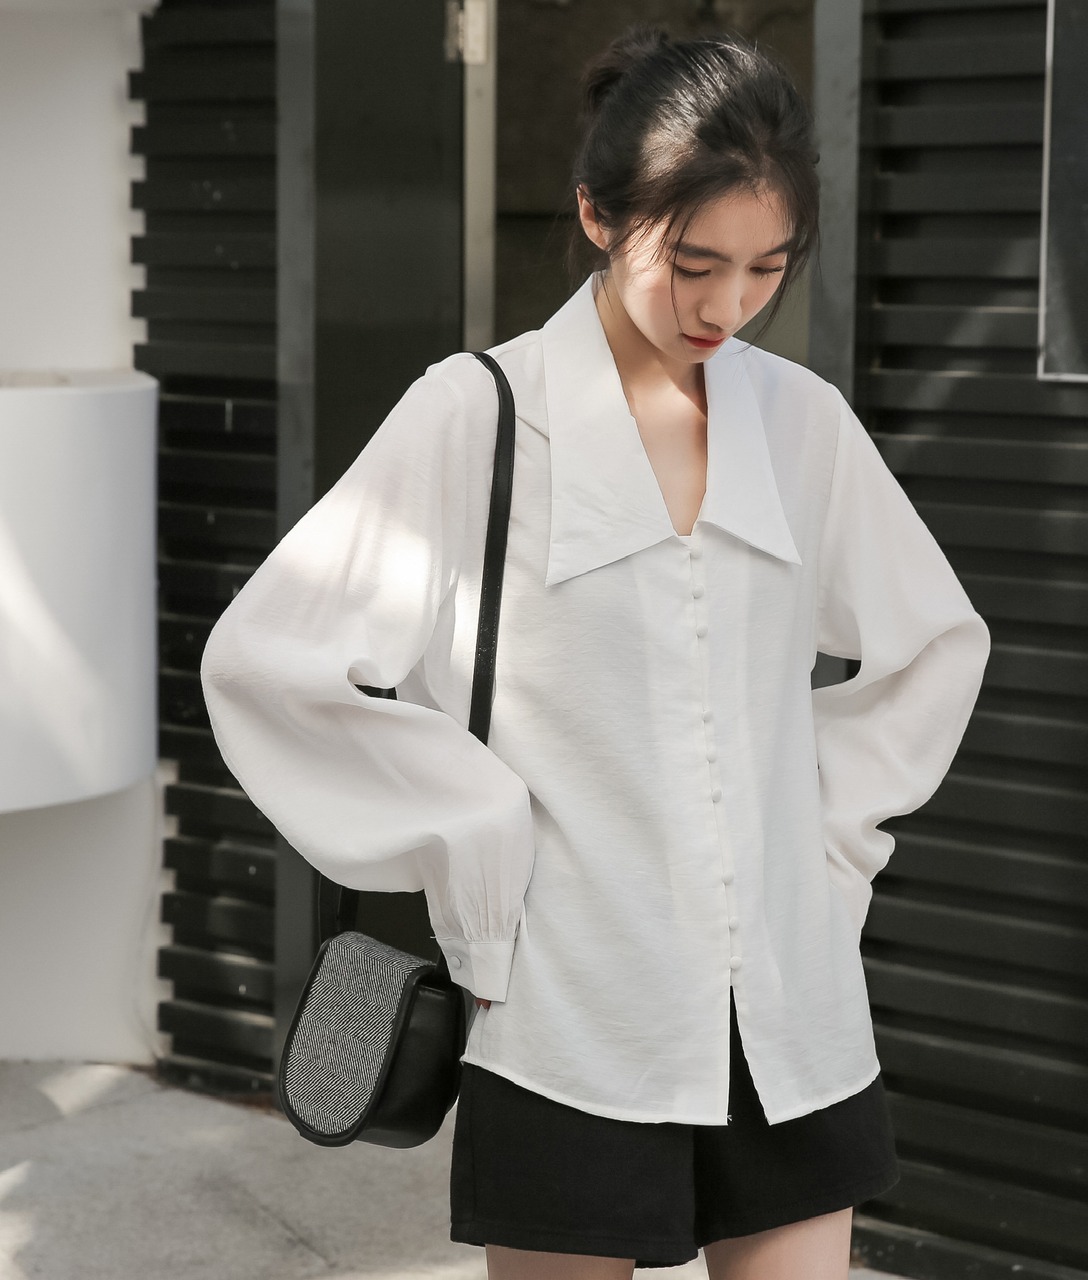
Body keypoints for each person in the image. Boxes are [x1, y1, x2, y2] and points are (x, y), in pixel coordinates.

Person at [200, 23, 991, 1280]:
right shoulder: (476, 415)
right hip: (567, 1013)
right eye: (692, 263)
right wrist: (473, 836)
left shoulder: (803, 425)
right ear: (594, 214)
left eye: (765, 267)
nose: (727, 307)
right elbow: (266, 664)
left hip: (785, 1010)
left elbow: (932, 645)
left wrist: (825, 848)